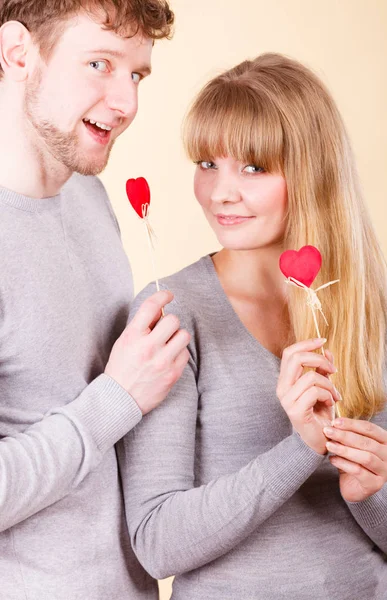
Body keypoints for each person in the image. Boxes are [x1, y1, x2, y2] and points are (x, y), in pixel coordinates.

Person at [118, 53, 387, 599]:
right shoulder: (173, 313)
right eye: (206, 164)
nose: (221, 192)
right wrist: (301, 448)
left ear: (312, 168)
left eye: (253, 167)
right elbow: (156, 542)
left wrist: (371, 493)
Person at [0, 1, 191, 599]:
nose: (127, 102)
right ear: (18, 54)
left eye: (136, 74)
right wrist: (119, 395)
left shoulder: (88, 194)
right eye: (100, 64)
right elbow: (116, 399)